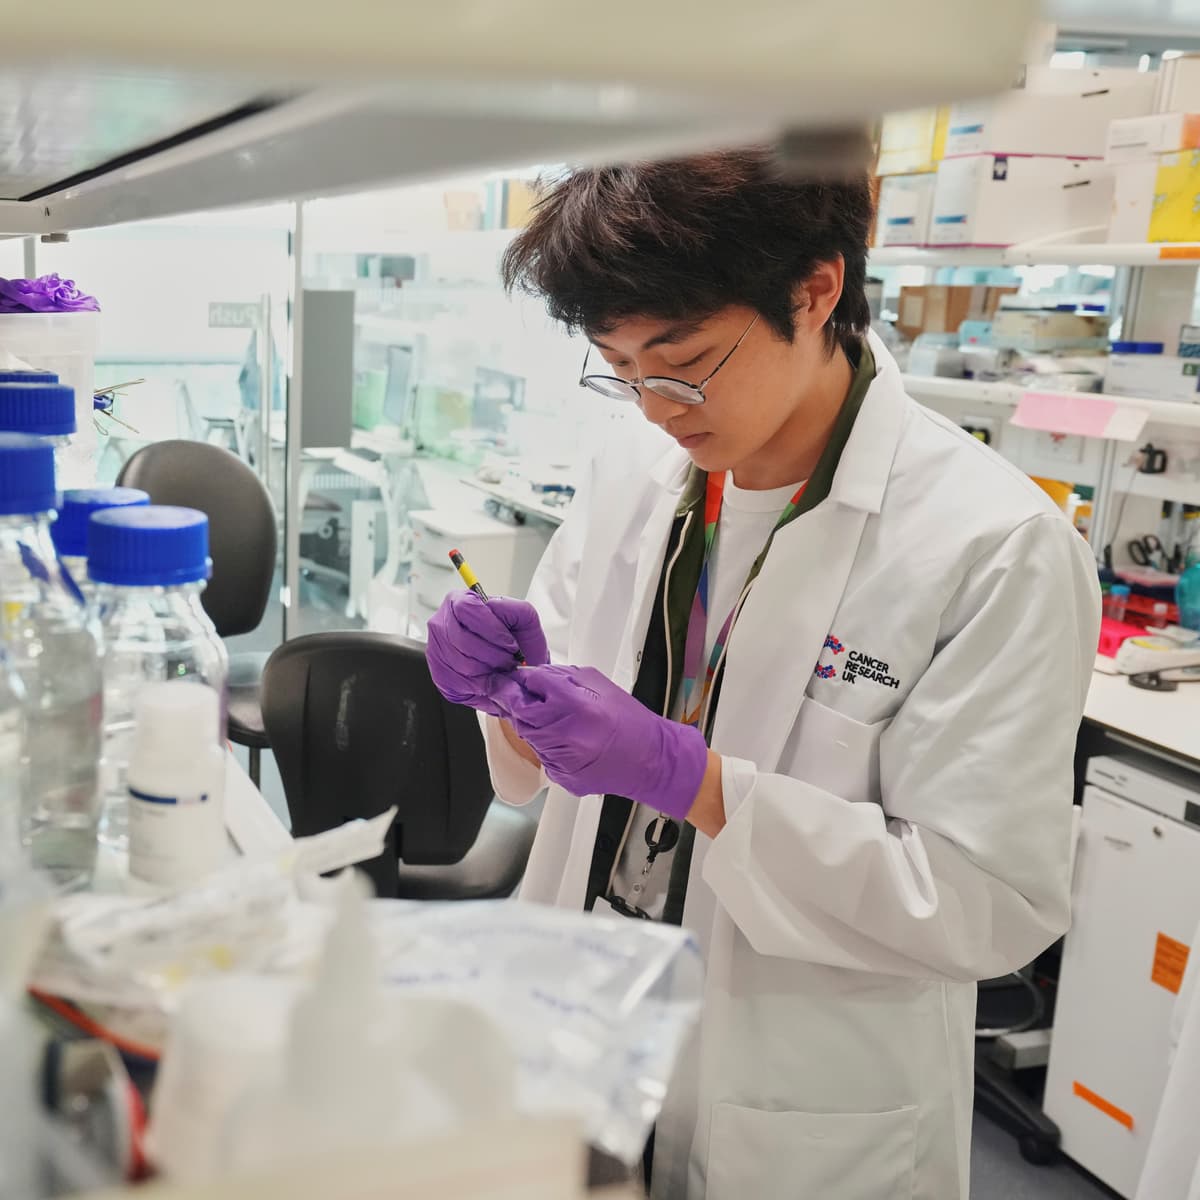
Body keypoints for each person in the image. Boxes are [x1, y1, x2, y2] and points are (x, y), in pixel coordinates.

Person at [426, 148, 1100, 1200]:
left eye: (682, 358)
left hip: (798, 1102)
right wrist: (506, 692)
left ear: (816, 287)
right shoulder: (638, 477)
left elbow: (980, 901)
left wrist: (695, 784)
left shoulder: (992, 545)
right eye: (620, 365)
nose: (653, 404)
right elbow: (542, 760)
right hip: (590, 1015)